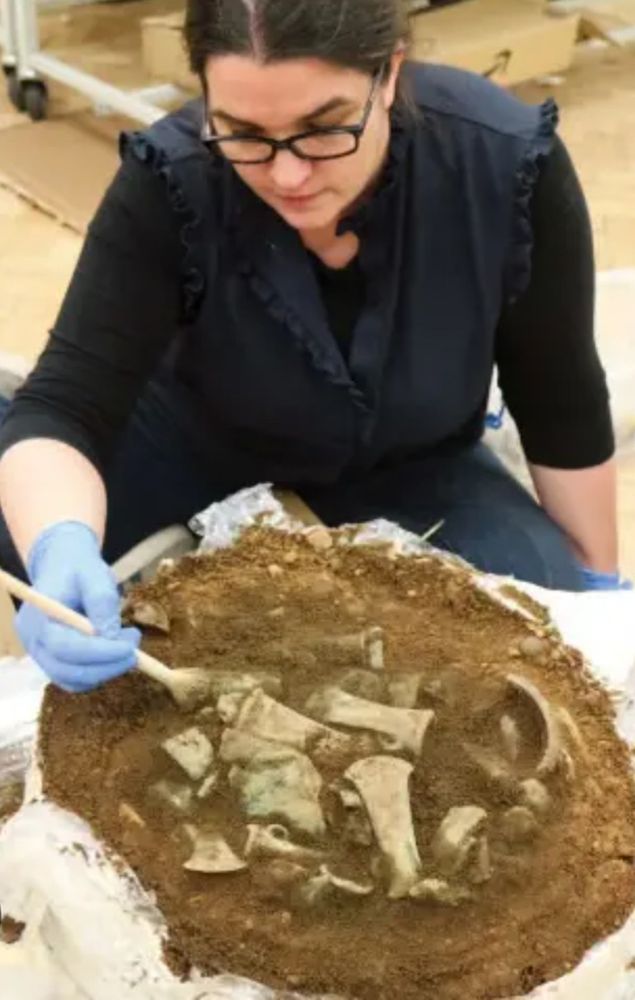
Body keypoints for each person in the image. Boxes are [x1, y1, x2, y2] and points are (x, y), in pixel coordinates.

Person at [0, 0, 628, 695]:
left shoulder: (500, 161)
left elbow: (559, 395)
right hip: (199, 436)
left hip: (409, 457)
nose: (288, 176)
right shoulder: (171, 177)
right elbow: (63, 405)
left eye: (324, 129)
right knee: (28, 519)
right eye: (242, 133)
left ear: (387, 75)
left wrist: (593, 595)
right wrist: (58, 547)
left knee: (538, 629)